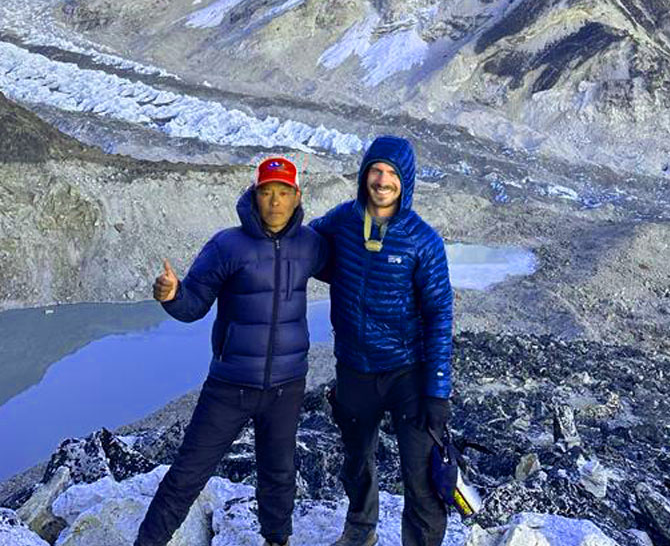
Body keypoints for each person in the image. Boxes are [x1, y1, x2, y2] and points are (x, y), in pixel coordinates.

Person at [133, 156, 327, 546]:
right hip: (230, 386)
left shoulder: (311, 245)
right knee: (187, 474)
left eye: (283, 192)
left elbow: (352, 269)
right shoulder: (227, 245)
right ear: (254, 197)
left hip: (287, 386)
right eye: (267, 192)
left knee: (279, 473)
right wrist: (172, 295)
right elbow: (194, 304)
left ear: (297, 197)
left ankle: (277, 540)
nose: (275, 201)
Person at [311, 135, 453, 546]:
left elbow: (440, 314)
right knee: (355, 462)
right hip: (354, 368)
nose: (382, 180)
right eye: (376, 170)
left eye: (392, 173)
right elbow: (307, 249)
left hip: (407, 372)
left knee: (422, 474)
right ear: (364, 174)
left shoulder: (423, 240)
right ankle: (360, 531)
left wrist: (437, 390)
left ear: (405, 181)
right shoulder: (342, 221)